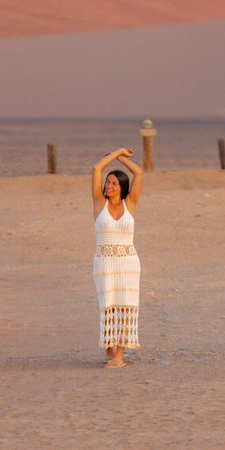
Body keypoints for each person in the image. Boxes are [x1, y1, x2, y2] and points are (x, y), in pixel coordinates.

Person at [91, 146, 144, 368]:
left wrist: (122, 157)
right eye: (108, 182)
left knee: (125, 308)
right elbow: (96, 169)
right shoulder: (98, 203)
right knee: (108, 306)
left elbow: (139, 173)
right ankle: (109, 347)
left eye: (114, 183)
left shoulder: (129, 203)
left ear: (122, 187)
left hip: (128, 263)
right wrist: (114, 153)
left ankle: (119, 355)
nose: (108, 185)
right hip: (104, 262)